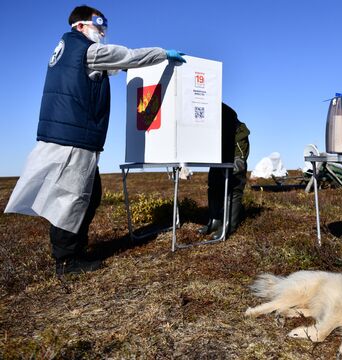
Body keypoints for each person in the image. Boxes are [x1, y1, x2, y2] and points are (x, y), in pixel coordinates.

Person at [4, 5, 186, 276]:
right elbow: (128, 55)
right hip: (74, 138)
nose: (102, 32)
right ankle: (67, 260)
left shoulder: (65, 50)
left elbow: (109, 68)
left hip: (64, 135)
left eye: (104, 27)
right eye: (98, 26)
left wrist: (127, 70)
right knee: (72, 198)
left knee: (88, 194)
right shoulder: (89, 50)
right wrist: (161, 54)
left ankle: (73, 250)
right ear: (80, 26)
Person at [197, 103, 250, 240]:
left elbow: (230, 119)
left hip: (235, 140)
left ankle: (229, 226)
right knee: (214, 182)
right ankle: (215, 221)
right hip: (218, 144)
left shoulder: (209, 101)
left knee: (235, 181)